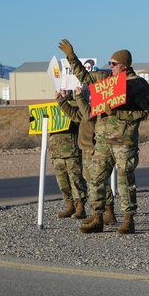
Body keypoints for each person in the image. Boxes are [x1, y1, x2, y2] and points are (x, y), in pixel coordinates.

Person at [57, 40, 149, 235]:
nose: (111, 67)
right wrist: (71, 57)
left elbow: (144, 113)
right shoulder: (107, 80)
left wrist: (118, 114)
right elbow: (84, 77)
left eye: (114, 64)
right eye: (110, 63)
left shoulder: (138, 84)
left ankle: (128, 219)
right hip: (102, 140)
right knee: (95, 178)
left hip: (124, 141)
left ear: (125, 65)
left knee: (126, 181)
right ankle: (98, 216)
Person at [57, 85, 115, 222]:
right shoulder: (88, 107)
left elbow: (88, 115)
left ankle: (107, 212)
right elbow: (75, 115)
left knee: (98, 182)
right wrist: (62, 101)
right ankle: (98, 214)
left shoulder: (99, 107)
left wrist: (78, 97)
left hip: (95, 149)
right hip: (86, 149)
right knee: (91, 182)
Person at [48, 91, 87, 220]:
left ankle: (80, 207)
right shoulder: (52, 107)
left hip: (72, 150)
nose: (61, 91)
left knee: (76, 181)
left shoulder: (75, 105)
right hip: (56, 151)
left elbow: (80, 120)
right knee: (63, 182)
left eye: (64, 89)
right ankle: (70, 205)